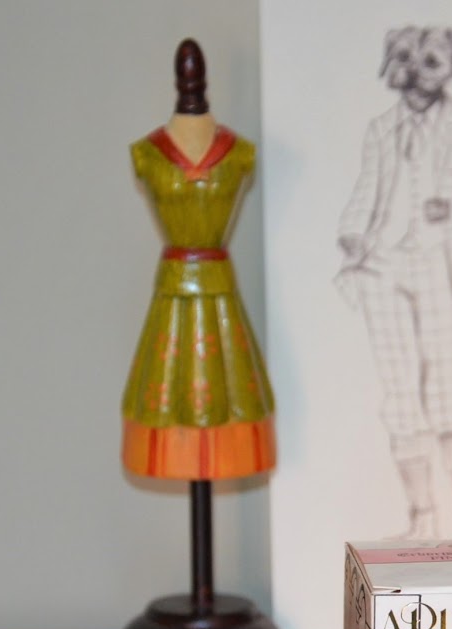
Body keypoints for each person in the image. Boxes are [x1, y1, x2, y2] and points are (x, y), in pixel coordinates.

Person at [336, 26, 452, 539]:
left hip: (444, 267)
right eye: (406, 61)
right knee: (399, 390)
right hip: (384, 268)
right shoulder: (381, 129)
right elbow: (366, 189)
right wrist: (352, 233)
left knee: (451, 389)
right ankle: (421, 514)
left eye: (431, 63)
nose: (416, 74)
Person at [122, 39, 275, 481]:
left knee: (232, 393)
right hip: (171, 296)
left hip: (222, 297)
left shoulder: (239, 152)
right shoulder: (147, 153)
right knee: (165, 391)